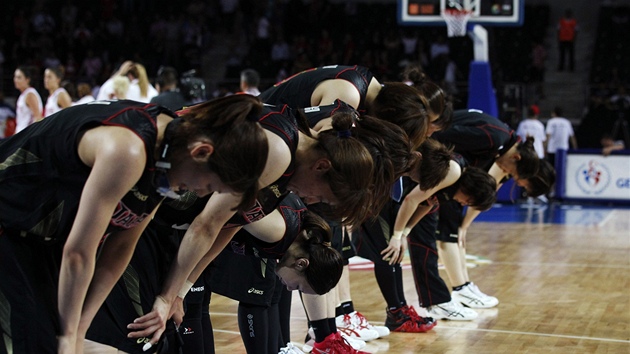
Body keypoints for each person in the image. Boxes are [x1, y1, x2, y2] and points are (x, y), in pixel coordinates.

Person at [126, 104, 411, 351]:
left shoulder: (289, 160)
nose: (311, 201)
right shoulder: (278, 153)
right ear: (322, 167)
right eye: (321, 196)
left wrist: (178, 291)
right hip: (142, 173)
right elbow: (207, 225)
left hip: (156, 194)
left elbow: (225, 227)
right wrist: (169, 295)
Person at [0, 94, 270, 354]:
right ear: (201, 152)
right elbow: (79, 253)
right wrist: (69, 337)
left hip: (37, 237)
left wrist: (80, 328)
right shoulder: (128, 150)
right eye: (209, 186)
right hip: (10, 222)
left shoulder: (167, 152)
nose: (200, 194)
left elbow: (121, 246)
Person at [353, 139, 458, 334]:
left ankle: (399, 309)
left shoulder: (414, 163)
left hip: (382, 199)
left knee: (394, 254)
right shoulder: (390, 157)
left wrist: (402, 234)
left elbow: (426, 204)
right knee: (386, 254)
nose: (413, 178)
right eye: (413, 175)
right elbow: (409, 200)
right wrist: (396, 235)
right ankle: (395, 314)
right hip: (370, 198)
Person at [13, 65, 43, 133]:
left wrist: (29, 137)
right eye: (15, 77)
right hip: (20, 134)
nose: (15, 80)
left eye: (19, 77)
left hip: (26, 136)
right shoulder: (23, 95)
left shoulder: (30, 94)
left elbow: (38, 117)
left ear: (27, 80)